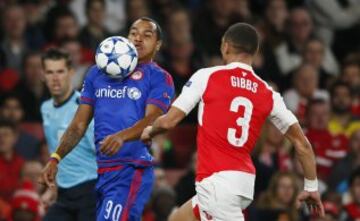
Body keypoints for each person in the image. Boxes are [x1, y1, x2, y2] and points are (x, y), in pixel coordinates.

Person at [141, 23, 324, 221]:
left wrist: (149, 131)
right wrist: (312, 187)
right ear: (254, 52)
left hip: (218, 185)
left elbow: (168, 122)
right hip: (241, 182)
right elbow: (302, 144)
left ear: (225, 46)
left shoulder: (207, 76)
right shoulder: (268, 93)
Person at [40, 17, 175, 221]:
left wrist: (122, 137)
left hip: (132, 168)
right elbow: (78, 124)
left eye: (147, 35)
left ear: (158, 45)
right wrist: (56, 158)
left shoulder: (158, 77)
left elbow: (153, 119)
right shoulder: (96, 73)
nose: (138, 39)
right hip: (102, 172)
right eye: (133, 33)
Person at [40, 48, 98, 221]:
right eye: (50, 72)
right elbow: (55, 150)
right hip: (64, 194)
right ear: (43, 75)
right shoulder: (46, 108)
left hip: (90, 191)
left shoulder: (84, 109)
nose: (55, 78)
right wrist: (53, 188)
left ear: (71, 72)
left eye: (60, 71)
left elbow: (103, 151)